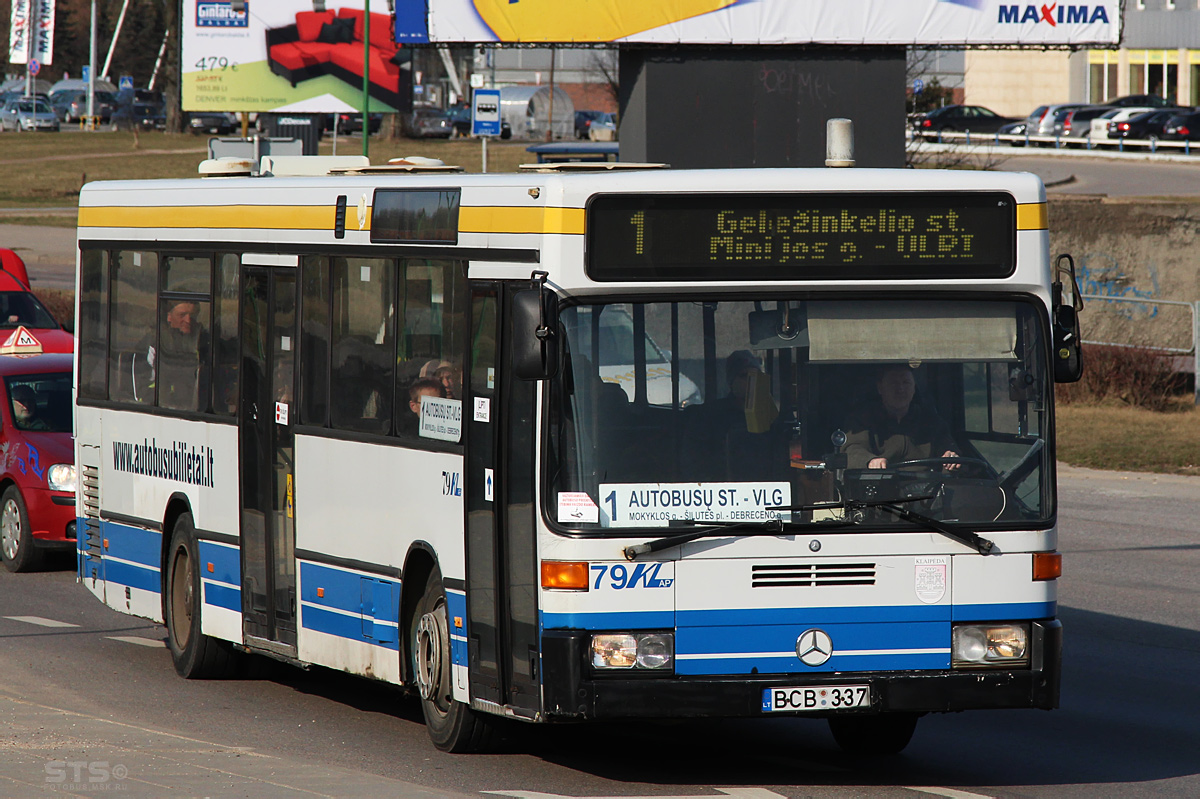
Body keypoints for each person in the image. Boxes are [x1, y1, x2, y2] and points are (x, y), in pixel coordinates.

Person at [841, 364, 959, 470]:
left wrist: (951, 458)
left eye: (906, 383)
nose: (901, 389)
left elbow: (949, 450)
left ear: (914, 388)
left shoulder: (931, 421)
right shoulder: (862, 420)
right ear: (880, 388)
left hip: (926, 487)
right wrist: (870, 461)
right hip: (881, 486)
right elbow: (852, 450)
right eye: (894, 383)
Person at [155, 299, 209, 411]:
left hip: (196, 407)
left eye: (192, 315)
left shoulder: (204, 338)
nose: (188, 320)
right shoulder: (155, 340)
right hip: (161, 406)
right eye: (182, 315)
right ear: (169, 316)